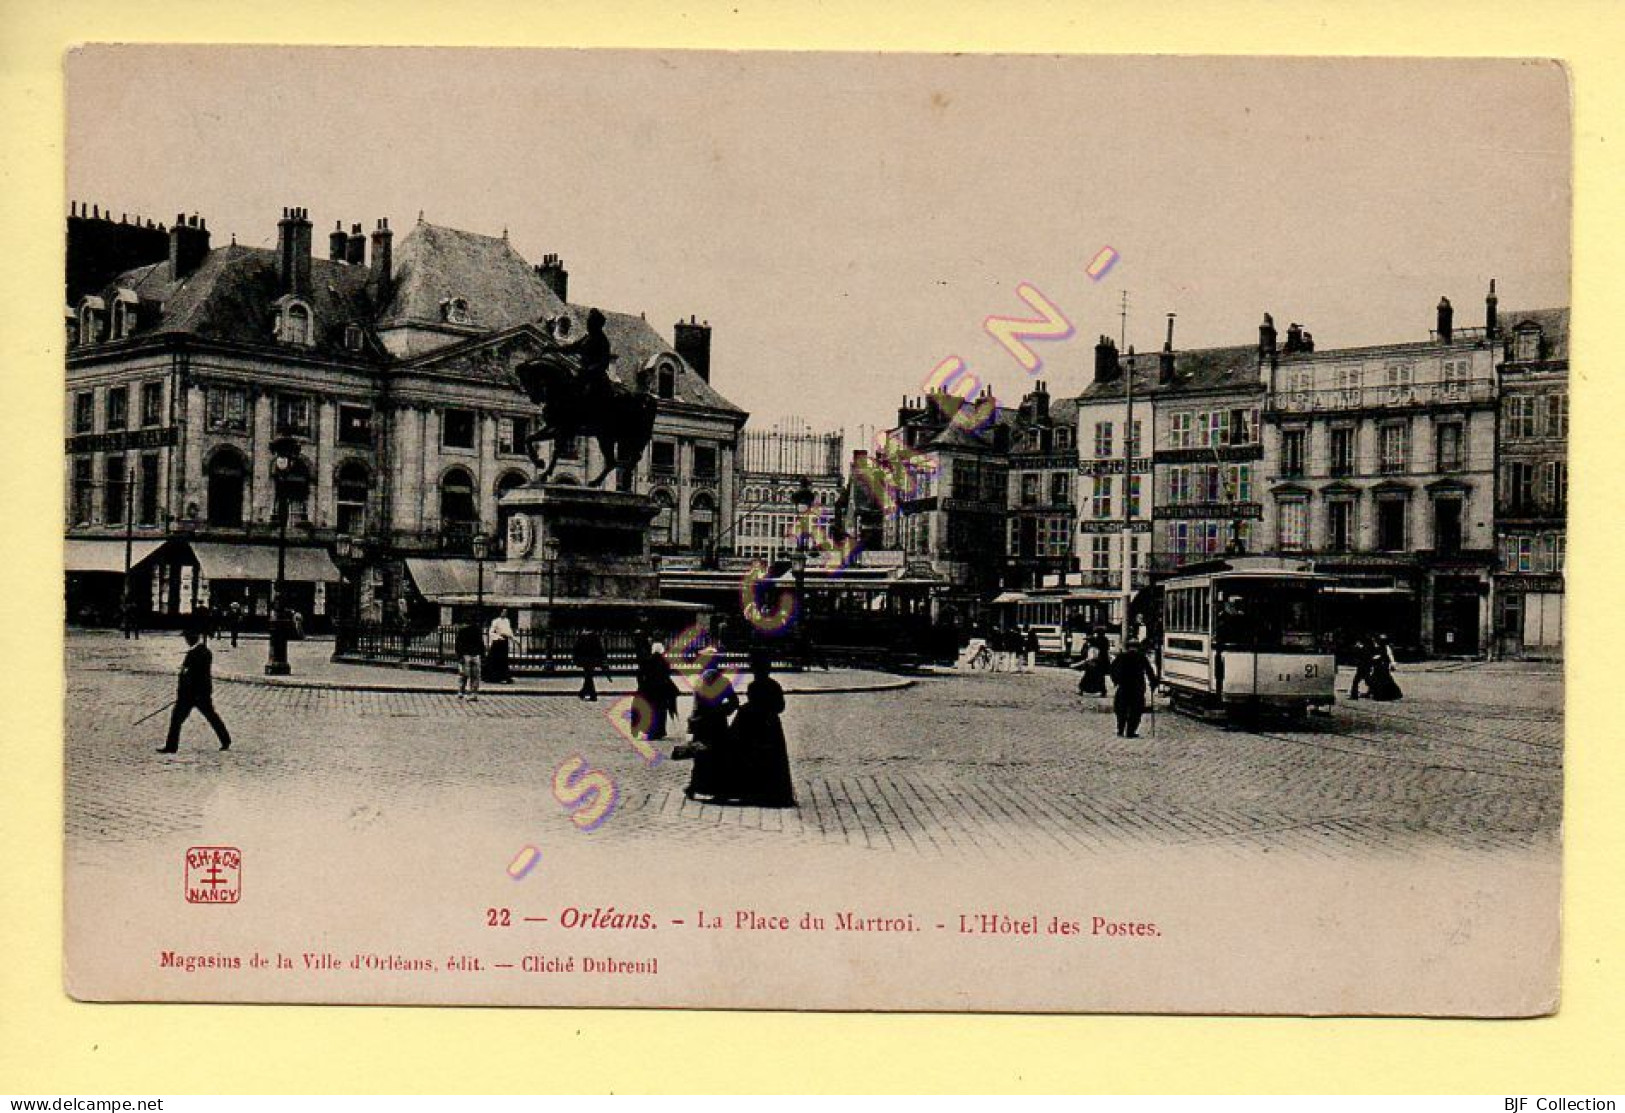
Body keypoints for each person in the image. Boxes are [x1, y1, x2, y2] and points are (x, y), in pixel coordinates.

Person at [730, 651, 797, 808]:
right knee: (772, 759)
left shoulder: (754, 686)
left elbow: (754, 704)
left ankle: (753, 791)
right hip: (770, 726)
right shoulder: (774, 685)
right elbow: (780, 707)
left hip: (754, 725)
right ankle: (774, 792)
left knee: (750, 756)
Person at [158, 627, 231, 753]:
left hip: (191, 694)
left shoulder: (195, 653)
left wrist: (184, 692)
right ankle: (225, 740)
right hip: (200, 693)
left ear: (192, 639)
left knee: (177, 719)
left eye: (187, 638)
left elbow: (191, 676)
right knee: (211, 716)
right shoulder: (204, 651)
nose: (186, 641)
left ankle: (171, 746)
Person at [681, 662, 741, 802]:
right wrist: (723, 710)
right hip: (718, 723)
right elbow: (734, 702)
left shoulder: (699, 683)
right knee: (719, 755)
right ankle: (718, 788)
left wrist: (692, 724)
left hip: (703, 723)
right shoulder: (724, 682)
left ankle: (695, 786)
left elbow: (696, 707)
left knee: (701, 756)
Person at [1108, 637, 1160, 739]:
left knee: (1121, 709)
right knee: (1136, 710)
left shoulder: (1122, 657)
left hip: (1124, 686)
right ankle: (1130, 731)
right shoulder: (1141, 657)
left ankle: (1120, 729)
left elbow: (1112, 669)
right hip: (1137, 687)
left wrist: (1116, 681)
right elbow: (1149, 671)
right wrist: (1153, 683)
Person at [636, 642, 680, 741]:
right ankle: (660, 731)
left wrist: (641, 685)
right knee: (661, 711)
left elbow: (640, 674)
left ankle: (650, 730)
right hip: (662, 689)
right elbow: (667, 675)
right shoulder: (665, 661)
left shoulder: (647, 660)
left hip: (649, 689)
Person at [573, 629, 609, 702]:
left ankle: (589, 693)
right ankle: (586, 692)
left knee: (588, 676)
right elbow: (600, 649)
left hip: (584, 659)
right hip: (593, 659)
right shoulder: (595, 637)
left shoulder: (582, 636)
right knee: (589, 676)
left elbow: (576, 649)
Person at [454, 616, 485, 701]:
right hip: (469, 655)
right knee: (468, 675)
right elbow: (459, 645)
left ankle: (467, 692)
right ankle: (467, 692)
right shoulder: (467, 631)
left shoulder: (472, 631)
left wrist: (460, 656)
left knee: (467, 675)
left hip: (470, 655)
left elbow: (480, 644)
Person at [1365, 635, 1403, 701]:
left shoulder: (1386, 648)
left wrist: (1392, 664)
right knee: (1375, 679)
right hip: (1378, 666)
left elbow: (1390, 656)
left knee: (1384, 680)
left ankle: (1385, 695)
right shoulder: (1379, 647)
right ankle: (1373, 693)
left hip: (1383, 666)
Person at [1076, 632, 1110, 697]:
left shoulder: (1093, 648)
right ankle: (1102, 691)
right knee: (1098, 679)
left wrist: (1086, 661)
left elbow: (1092, 657)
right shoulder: (1102, 642)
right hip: (1096, 664)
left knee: (1088, 678)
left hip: (1094, 665)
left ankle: (1083, 690)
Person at [485, 612, 515, 684]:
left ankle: (504, 676)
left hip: (505, 641)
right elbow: (491, 632)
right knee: (495, 659)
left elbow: (509, 631)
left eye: (506, 612)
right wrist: (498, 637)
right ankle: (493, 676)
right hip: (498, 642)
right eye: (503, 612)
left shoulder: (507, 621)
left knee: (504, 660)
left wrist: (513, 639)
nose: (504, 613)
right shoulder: (495, 621)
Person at [1347, 634, 1373, 699]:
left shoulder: (1364, 649)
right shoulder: (1363, 649)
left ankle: (1354, 695)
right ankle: (1372, 692)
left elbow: (1366, 659)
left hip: (1363, 668)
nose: (1356, 644)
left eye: (1357, 643)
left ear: (1359, 643)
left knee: (1356, 682)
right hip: (1364, 668)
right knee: (1367, 681)